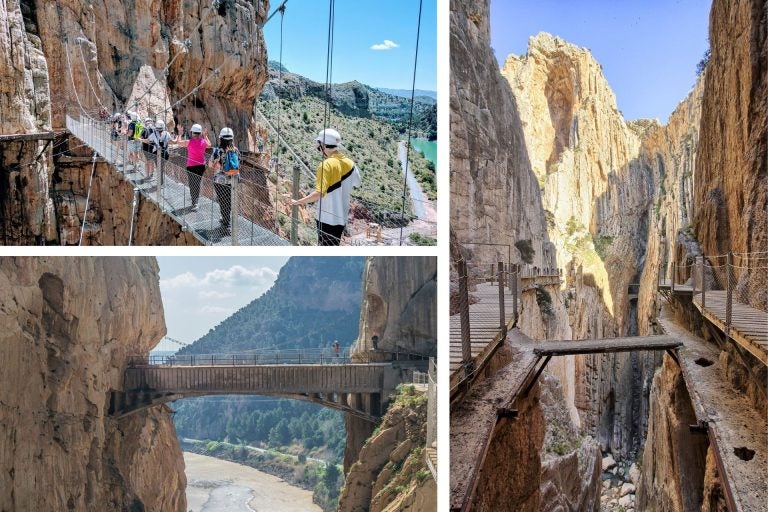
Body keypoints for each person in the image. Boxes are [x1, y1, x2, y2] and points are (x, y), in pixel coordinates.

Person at [290, 128, 361, 246]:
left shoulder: (325, 165)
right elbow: (357, 183)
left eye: (319, 145)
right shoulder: (350, 163)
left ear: (323, 145)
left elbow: (319, 193)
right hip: (341, 218)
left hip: (326, 218)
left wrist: (298, 202)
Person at [210, 127, 240, 233]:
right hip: (232, 180)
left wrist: (217, 163)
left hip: (220, 180)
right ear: (232, 138)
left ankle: (226, 224)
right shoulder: (236, 150)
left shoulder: (217, 151)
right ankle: (226, 220)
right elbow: (238, 165)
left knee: (223, 201)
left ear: (221, 138)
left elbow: (210, 165)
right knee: (229, 201)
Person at [176, 123, 211, 211]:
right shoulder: (204, 142)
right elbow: (209, 145)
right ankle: (196, 201)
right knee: (197, 183)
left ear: (192, 132)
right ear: (200, 133)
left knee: (192, 184)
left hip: (191, 166)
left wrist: (180, 133)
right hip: (201, 166)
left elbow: (179, 143)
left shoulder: (189, 142)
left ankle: (194, 201)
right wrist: (205, 136)